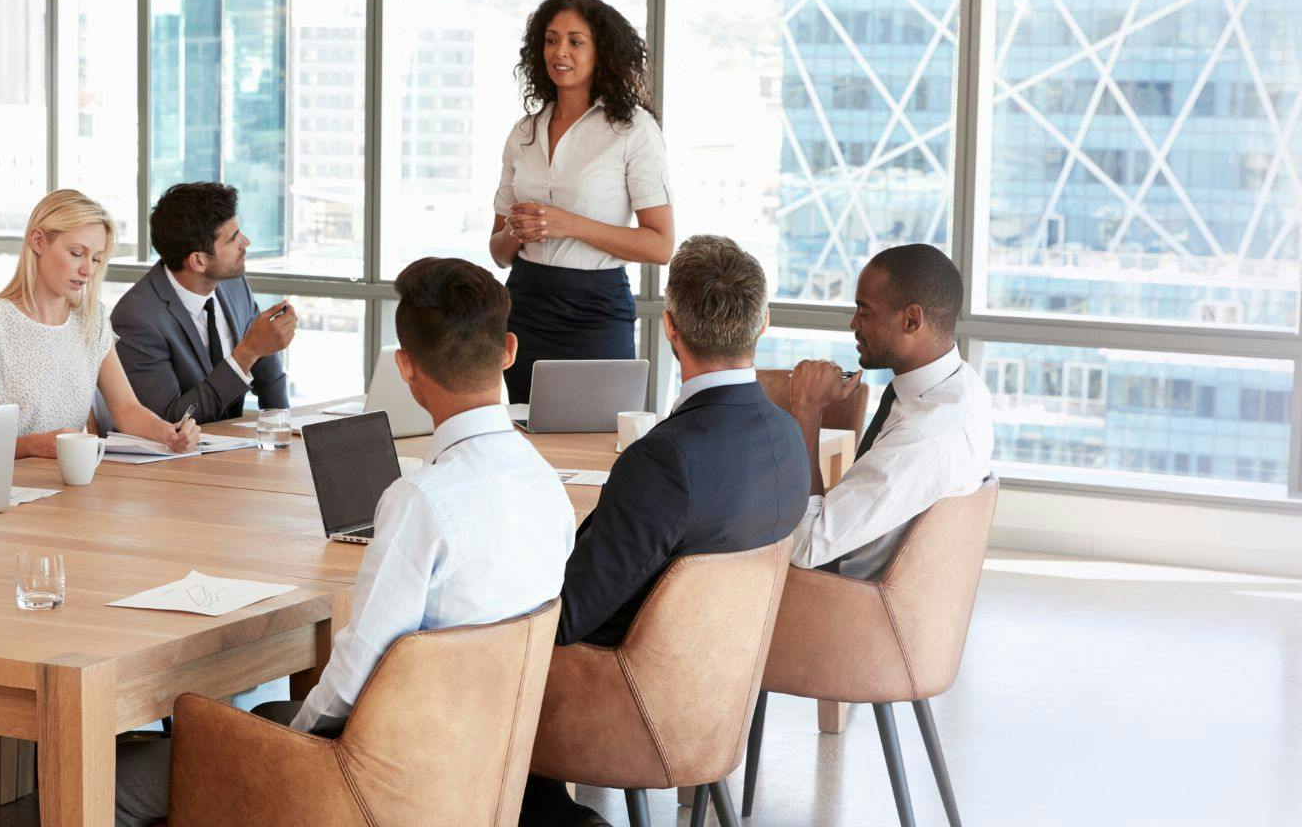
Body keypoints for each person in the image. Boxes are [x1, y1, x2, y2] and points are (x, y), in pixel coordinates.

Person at [114, 257, 576, 825]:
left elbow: (359, 667)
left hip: (379, 780)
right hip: (481, 763)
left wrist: (295, 748)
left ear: (405, 367)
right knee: (276, 712)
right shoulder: (547, 485)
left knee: (112, 783)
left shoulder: (421, 502)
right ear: (509, 350)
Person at [519, 236, 809, 827]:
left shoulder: (666, 459)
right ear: (764, 324)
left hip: (628, 698)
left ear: (670, 328)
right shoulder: (786, 434)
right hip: (716, 694)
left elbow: (570, 614)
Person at [490, 0, 675, 404]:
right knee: (529, 434)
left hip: (596, 311)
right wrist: (516, 231)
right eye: (551, 40)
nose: (560, 52)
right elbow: (499, 252)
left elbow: (660, 245)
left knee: (597, 442)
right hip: (525, 307)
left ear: (601, 52)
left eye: (576, 41)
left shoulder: (633, 130)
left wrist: (567, 223)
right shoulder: (524, 132)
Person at [781, 244, 994, 579]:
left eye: (865, 312)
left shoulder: (920, 438)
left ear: (911, 320)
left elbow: (806, 547)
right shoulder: (965, 387)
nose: (853, 324)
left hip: (838, 596)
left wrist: (807, 412)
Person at [0, 189, 199, 459]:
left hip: (74, 485)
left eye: (96, 258)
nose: (88, 270)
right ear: (38, 241)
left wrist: (171, 433)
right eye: (77, 253)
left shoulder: (92, 320)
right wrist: (33, 446)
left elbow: (127, 409)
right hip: (6, 491)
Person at [111, 182, 294, 425]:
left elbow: (266, 367)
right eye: (233, 239)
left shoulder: (232, 284)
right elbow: (169, 420)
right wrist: (246, 352)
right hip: (175, 459)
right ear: (198, 261)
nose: (246, 242)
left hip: (236, 452)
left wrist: (283, 428)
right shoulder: (136, 318)